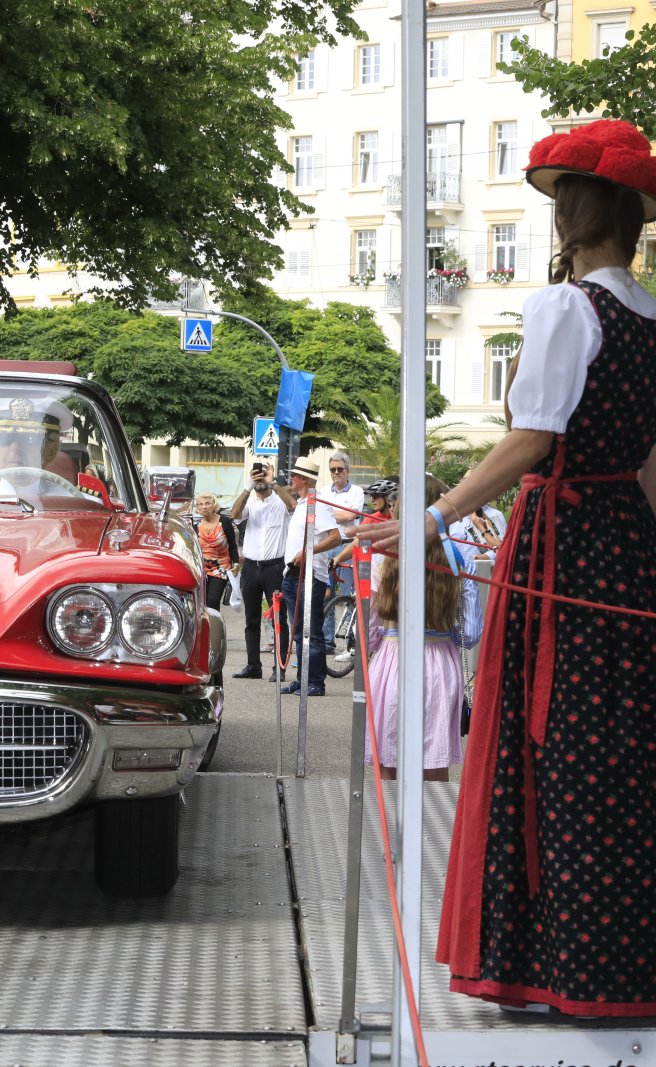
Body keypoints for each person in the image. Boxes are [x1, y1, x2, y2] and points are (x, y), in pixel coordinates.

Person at [366, 119, 656, 1016]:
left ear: (577, 216)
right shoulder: (651, 319)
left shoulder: (565, 308)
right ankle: (619, 965)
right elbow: (649, 465)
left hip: (562, 545)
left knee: (547, 743)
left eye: (561, 202)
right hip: (628, 547)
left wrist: (433, 516)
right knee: (618, 749)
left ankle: (547, 966)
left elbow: (532, 438)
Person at [363, 475, 480, 782]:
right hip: (441, 663)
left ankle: (389, 815)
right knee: (433, 767)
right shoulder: (460, 559)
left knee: (388, 760)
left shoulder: (383, 558)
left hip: (391, 662)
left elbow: (368, 633)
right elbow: (470, 634)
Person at [279, 456, 340, 697]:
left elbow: (335, 537)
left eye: (294, 475)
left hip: (309, 574)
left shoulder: (318, 504)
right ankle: (303, 679)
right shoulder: (303, 504)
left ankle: (315, 681)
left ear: (303, 479)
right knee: (298, 630)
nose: (291, 479)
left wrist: (308, 552)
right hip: (294, 574)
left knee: (311, 630)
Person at [230, 461, 295, 680]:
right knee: (251, 620)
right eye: (256, 475)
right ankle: (253, 666)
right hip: (251, 567)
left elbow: (293, 506)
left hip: (274, 567)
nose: (260, 478)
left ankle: (279, 668)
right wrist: (248, 486)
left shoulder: (280, 500)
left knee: (279, 619)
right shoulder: (249, 500)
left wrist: (272, 482)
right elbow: (235, 514)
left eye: (263, 474)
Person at [320, 452, 365, 651]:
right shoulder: (323, 491)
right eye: (333, 469)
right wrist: (338, 514)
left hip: (347, 546)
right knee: (325, 595)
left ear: (348, 471)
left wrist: (328, 513)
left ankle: (350, 644)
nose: (336, 472)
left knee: (349, 596)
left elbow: (350, 516)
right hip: (327, 546)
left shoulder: (357, 492)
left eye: (340, 469)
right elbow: (323, 516)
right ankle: (327, 641)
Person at [193, 493, 239, 610]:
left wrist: (236, 563)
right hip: (202, 569)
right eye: (200, 504)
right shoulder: (196, 526)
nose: (204, 507)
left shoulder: (224, 522)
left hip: (221, 567)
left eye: (207, 503)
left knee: (213, 600)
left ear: (214, 505)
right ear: (197, 508)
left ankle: (214, 621)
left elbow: (232, 545)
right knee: (201, 602)